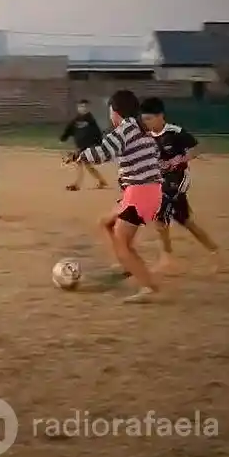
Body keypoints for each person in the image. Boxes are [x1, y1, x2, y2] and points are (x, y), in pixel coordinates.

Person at [67, 89, 162, 304]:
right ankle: (124, 264)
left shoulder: (125, 129)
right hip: (143, 190)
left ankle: (148, 286)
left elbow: (103, 152)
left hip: (141, 192)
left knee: (123, 243)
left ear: (115, 112)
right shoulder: (140, 128)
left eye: (110, 111)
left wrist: (79, 155)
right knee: (105, 223)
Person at [139, 97, 219, 272]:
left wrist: (180, 159)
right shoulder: (146, 138)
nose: (146, 123)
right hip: (161, 181)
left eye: (149, 119)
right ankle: (215, 251)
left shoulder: (175, 132)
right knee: (186, 221)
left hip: (178, 179)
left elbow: (197, 148)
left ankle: (167, 259)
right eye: (144, 119)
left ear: (161, 116)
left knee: (159, 218)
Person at [59, 99, 108, 191]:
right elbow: (68, 130)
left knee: (80, 163)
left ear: (88, 108)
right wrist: (63, 138)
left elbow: (97, 134)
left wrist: (98, 144)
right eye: (81, 106)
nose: (83, 108)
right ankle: (102, 181)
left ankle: (76, 185)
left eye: (85, 107)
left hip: (89, 147)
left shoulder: (91, 120)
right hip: (80, 147)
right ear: (78, 108)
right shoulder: (75, 121)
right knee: (87, 166)